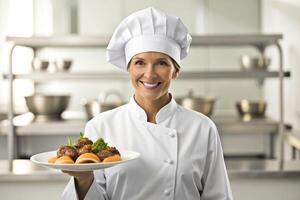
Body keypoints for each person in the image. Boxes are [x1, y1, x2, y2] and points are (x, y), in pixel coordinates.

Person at [62, 7, 233, 200]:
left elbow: (218, 196)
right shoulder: (101, 126)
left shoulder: (202, 128)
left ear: (175, 71)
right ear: (128, 68)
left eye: (161, 63)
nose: (150, 74)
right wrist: (84, 180)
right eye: (139, 62)